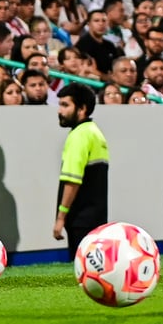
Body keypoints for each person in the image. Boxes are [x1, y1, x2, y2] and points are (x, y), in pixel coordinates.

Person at [53, 83, 109, 257]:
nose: (59, 111)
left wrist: (61, 217)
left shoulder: (78, 135)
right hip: (96, 217)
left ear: (82, 108)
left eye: (65, 105)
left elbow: (73, 180)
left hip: (80, 219)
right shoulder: (95, 132)